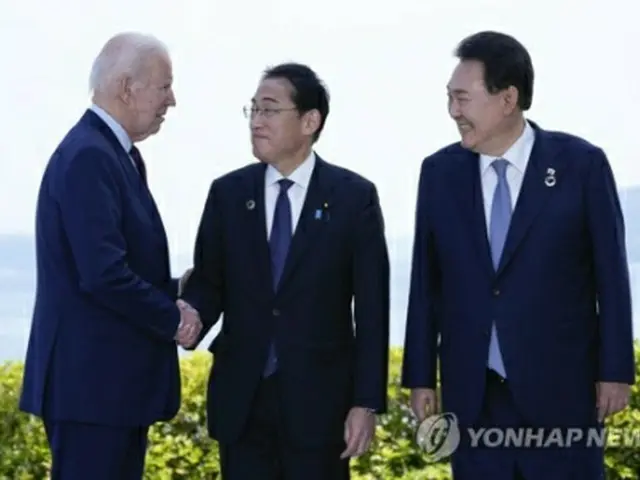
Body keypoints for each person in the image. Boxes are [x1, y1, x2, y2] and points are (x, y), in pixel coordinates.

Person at [401, 30, 635, 480]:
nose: (453, 111)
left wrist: (615, 370)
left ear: (507, 99)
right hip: (474, 398)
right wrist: (421, 377)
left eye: (463, 98)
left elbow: (611, 276)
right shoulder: (439, 173)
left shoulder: (581, 165)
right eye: (449, 98)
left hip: (563, 393)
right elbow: (425, 283)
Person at [180, 62, 390, 479]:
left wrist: (365, 403)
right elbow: (209, 282)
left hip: (320, 408)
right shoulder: (228, 194)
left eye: (270, 109)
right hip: (243, 404)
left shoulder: (353, 198)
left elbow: (372, 310)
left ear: (310, 121)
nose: (257, 121)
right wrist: (192, 313)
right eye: (253, 109)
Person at [18, 32, 201, 480]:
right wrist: (174, 317)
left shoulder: (115, 154)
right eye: (164, 86)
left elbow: (117, 268)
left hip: (110, 393)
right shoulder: (90, 156)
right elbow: (103, 275)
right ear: (126, 88)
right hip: (91, 393)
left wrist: (178, 289)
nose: (172, 100)